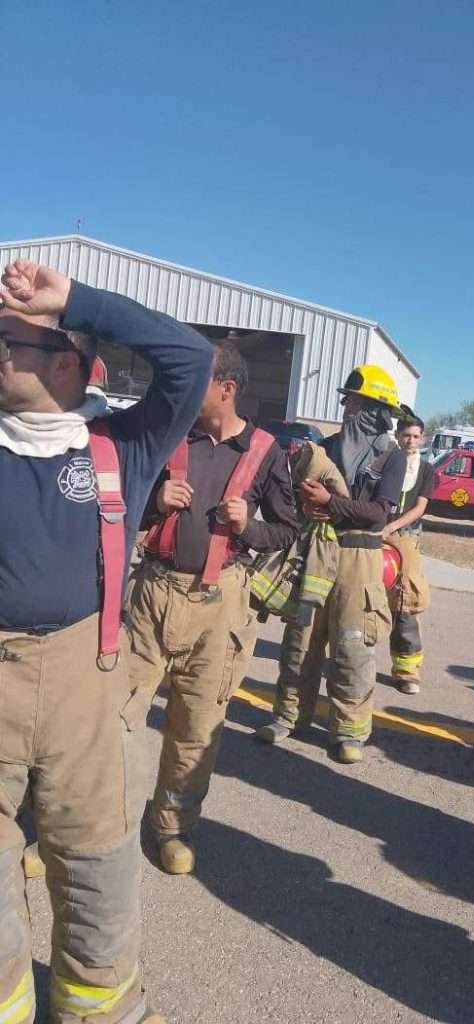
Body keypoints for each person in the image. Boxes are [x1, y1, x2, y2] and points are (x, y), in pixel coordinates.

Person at [0, 259, 212, 1024]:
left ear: (64, 362)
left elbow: (191, 359)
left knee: (96, 867)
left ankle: (100, 1011)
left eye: (5, 343)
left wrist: (74, 301)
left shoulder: (122, 443)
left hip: (86, 688)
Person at [127, 341, 299, 875]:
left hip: (219, 604)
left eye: (195, 378)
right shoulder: (169, 432)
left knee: (196, 726)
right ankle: (95, 826)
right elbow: (118, 500)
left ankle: (172, 828)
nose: (181, 385)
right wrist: (154, 502)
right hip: (152, 595)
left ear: (226, 388)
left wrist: (248, 527)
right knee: (114, 716)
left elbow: (287, 530)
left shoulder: (267, 451)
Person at [255, 363, 406, 764]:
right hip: (318, 552)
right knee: (300, 640)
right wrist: (307, 502)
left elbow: (378, 513)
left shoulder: (392, 457)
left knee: (352, 647)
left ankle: (348, 733)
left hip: (360, 559)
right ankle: (288, 717)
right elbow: (298, 495)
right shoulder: (328, 446)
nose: (345, 407)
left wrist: (331, 503)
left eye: (351, 400)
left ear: (373, 408)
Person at [382, 414, 434, 695]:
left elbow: (420, 507)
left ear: (421, 439)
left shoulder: (425, 470)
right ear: (397, 436)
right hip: (376, 534)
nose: (410, 441)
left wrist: (392, 527)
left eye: (415, 436)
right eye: (406, 435)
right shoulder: (383, 461)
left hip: (406, 538)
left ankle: (407, 671)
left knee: (406, 601)